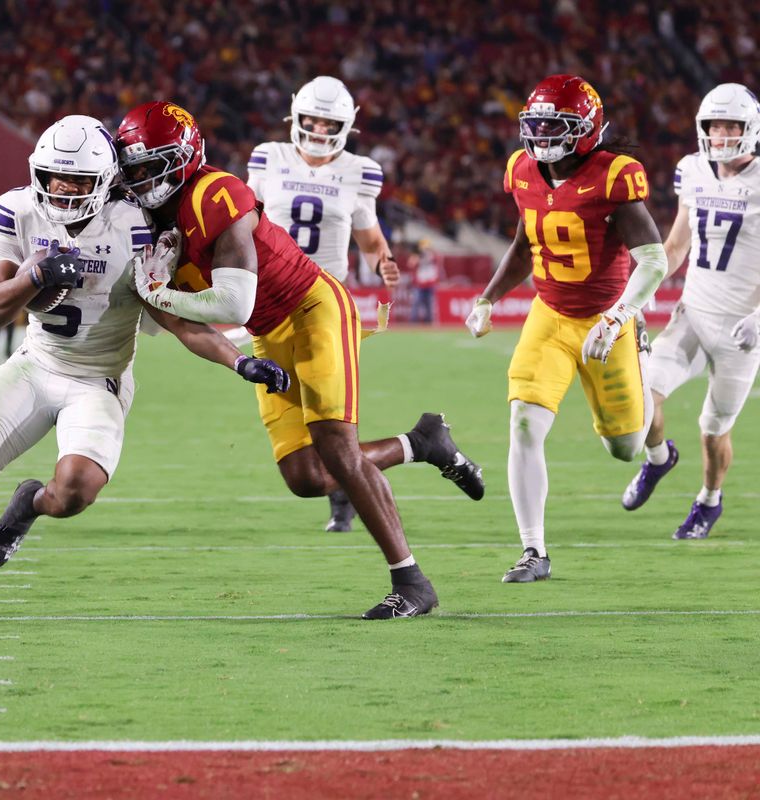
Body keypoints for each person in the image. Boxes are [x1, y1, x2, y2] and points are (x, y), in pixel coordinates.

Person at [0, 115, 290, 620]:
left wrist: (239, 361)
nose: (63, 190)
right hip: (36, 363)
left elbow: (172, 317)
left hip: (99, 377)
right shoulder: (20, 207)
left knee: (73, 493)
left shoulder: (138, 225)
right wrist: (37, 276)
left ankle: (29, 504)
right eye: (54, 178)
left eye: (78, 181)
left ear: (106, 179)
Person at [118, 102, 484, 619]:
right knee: (306, 477)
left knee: (338, 449)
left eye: (149, 165)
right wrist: (237, 363)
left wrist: (159, 292)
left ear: (183, 156)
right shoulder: (137, 220)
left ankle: (412, 581)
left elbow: (233, 303)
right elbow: (179, 325)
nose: (139, 178)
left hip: (314, 308)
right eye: (131, 167)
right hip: (268, 333)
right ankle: (422, 443)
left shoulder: (214, 193)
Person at [465, 75, 669, 582]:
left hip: (608, 320)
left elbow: (654, 261)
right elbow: (523, 244)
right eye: (534, 125)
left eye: (553, 126)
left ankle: (646, 379)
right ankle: (534, 551)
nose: (540, 136)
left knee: (623, 448)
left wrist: (621, 316)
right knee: (524, 424)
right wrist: (488, 297)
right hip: (550, 315)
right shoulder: (522, 170)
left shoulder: (614, 176)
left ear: (585, 129)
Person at [246, 75, 405, 533]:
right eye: (311, 118)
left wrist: (384, 262)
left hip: (325, 300)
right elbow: (244, 219)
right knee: (295, 404)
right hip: (272, 299)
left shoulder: (360, 170)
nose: (317, 128)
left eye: (327, 121)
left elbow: (370, 237)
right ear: (295, 116)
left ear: (346, 125)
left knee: (330, 405)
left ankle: (343, 493)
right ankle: (339, 483)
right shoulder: (268, 157)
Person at [621, 83, 760, 539]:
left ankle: (709, 500)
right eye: (714, 125)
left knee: (712, 430)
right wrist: (640, 290)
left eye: (730, 126)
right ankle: (660, 458)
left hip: (742, 329)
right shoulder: (693, 170)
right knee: (640, 401)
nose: (720, 135)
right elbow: (677, 244)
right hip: (692, 315)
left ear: (749, 129)